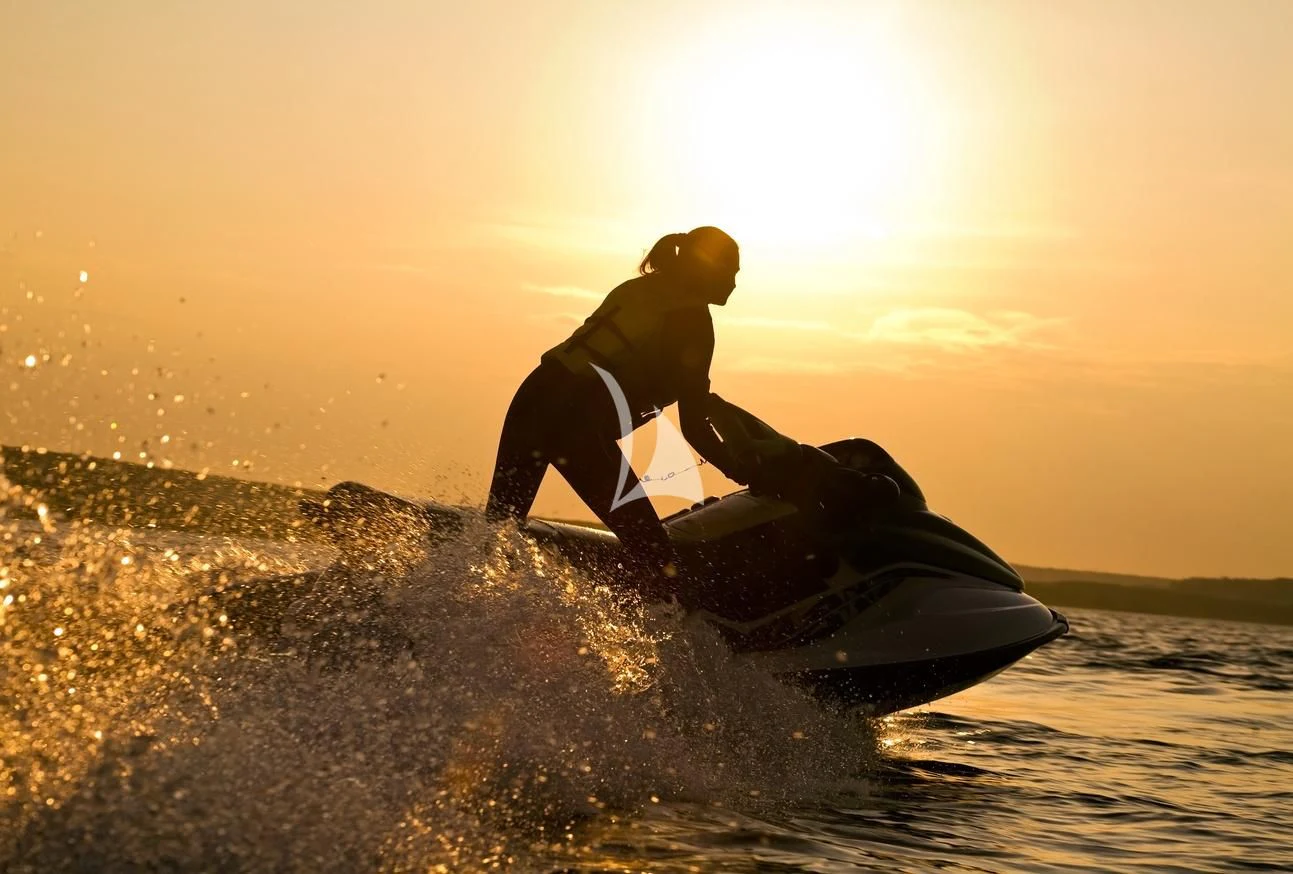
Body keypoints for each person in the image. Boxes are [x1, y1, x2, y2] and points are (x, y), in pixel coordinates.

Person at [485, 226, 750, 590]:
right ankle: (658, 632)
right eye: (730, 272)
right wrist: (744, 472)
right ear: (706, 269)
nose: (735, 284)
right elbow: (693, 425)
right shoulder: (692, 323)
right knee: (660, 563)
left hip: (531, 399)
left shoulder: (640, 290)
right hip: (575, 426)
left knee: (498, 530)